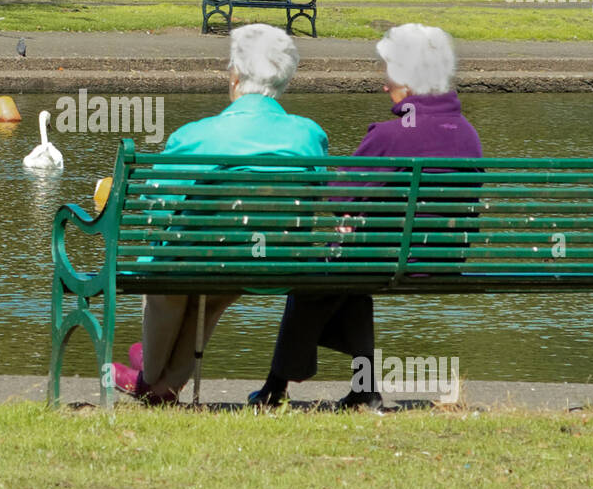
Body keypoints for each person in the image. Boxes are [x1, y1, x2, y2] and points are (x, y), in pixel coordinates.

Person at [249, 23, 482, 410]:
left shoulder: (393, 134)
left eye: (388, 71)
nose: (383, 83)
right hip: (444, 260)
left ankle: (276, 387)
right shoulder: (467, 133)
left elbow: (339, 198)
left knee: (317, 276)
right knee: (349, 283)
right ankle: (364, 390)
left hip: (391, 259)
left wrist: (342, 197)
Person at [112, 23, 329, 403]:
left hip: (204, 259)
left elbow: (153, 205)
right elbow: (319, 194)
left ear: (234, 77)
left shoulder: (196, 135)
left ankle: (151, 378)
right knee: (211, 285)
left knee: (169, 270)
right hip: (273, 262)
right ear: (284, 81)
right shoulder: (308, 135)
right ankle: (162, 384)